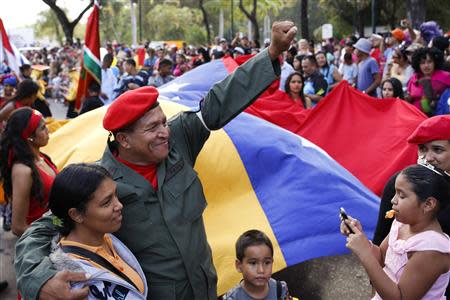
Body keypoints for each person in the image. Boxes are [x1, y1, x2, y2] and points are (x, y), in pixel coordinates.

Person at [14, 21, 297, 300]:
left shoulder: (179, 141)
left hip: (204, 289)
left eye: (163, 122)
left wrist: (271, 52)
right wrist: (39, 281)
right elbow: (39, 230)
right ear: (123, 140)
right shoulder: (99, 186)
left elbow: (218, 103)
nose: (165, 133)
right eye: (152, 128)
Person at [341, 163, 450, 299]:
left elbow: (400, 297)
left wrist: (364, 253)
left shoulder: (431, 249)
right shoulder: (401, 224)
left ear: (428, 204)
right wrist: (359, 237)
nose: (393, 200)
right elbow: (381, 258)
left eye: (402, 196)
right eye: (395, 193)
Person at [48, 163, 147, 299]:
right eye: (106, 202)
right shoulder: (74, 282)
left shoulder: (105, 236)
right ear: (76, 215)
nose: (119, 205)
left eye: (116, 195)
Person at [373, 115, 450, 251]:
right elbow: (381, 237)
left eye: (437, 150)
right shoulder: (400, 184)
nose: (428, 158)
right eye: (422, 149)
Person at [0, 108, 57, 237]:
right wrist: (54, 234)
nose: (48, 130)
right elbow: (18, 227)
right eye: (43, 128)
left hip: (54, 224)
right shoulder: (23, 171)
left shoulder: (43, 158)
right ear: (30, 137)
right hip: (41, 241)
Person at [222, 230, 291, 300]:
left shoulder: (279, 289)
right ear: (239, 265)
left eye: (267, 262)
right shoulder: (232, 298)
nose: (261, 270)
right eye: (253, 263)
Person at [406, 47, 450, 116]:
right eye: (422, 63)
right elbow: (409, 96)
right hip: (414, 116)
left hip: (438, 117)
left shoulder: (445, 76)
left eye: (429, 62)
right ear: (418, 64)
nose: (426, 66)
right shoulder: (413, 78)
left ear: (435, 62)